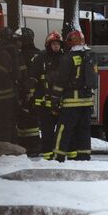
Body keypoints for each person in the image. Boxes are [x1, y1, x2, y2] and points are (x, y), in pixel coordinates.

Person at [52, 30, 98, 161]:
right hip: (87, 100)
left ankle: (58, 155)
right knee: (83, 129)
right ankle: (83, 155)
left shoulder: (68, 57)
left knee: (63, 128)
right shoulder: (89, 55)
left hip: (71, 101)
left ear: (71, 42)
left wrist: (55, 98)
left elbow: (61, 80)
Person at [27, 30, 64, 160]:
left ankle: (59, 154)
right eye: (53, 44)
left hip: (59, 102)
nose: (56, 46)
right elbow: (33, 77)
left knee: (61, 131)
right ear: (48, 44)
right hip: (43, 103)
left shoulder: (64, 58)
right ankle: (48, 156)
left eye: (58, 44)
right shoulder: (40, 58)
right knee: (47, 131)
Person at [14, 27, 41, 155]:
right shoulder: (39, 53)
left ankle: (30, 146)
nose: (17, 42)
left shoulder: (22, 55)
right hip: (34, 92)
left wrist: (26, 91)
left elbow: (26, 76)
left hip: (27, 92)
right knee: (30, 119)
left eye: (19, 39)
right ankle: (31, 146)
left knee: (29, 120)